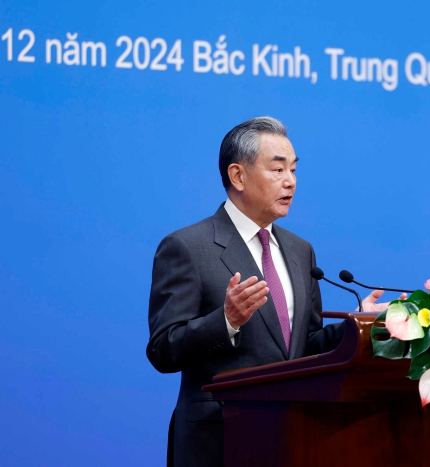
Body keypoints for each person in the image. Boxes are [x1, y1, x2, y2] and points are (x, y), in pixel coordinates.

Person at [146, 116, 391, 466]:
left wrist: (360, 324)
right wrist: (227, 321)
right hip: (220, 441)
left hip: (296, 437)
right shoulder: (188, 247)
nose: (290, 181)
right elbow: (163, 349)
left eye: (293, 170)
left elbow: (305, 346)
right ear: (238, 176)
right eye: (277, 170)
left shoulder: (299, 250)